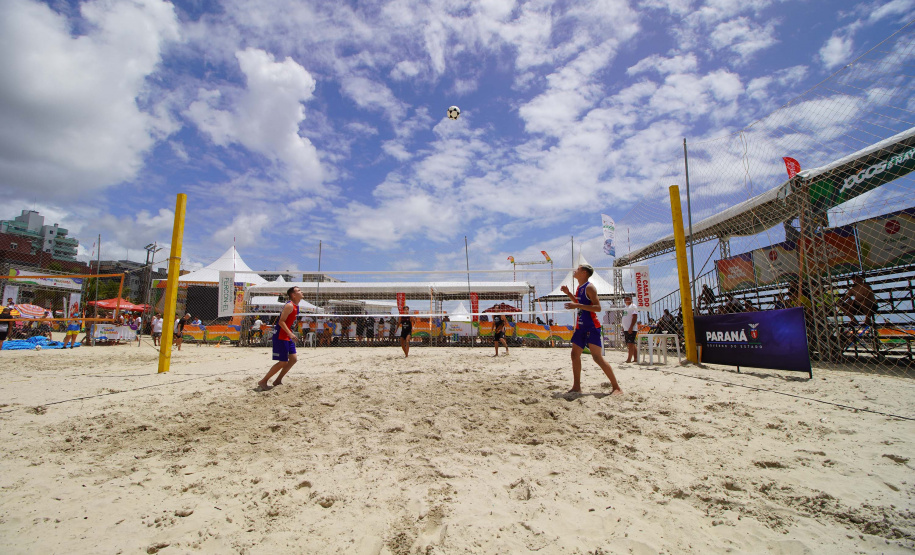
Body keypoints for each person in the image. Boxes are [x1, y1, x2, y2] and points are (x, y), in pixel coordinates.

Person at [561, 264, 622, 395]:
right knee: (574, 355)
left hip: (591, 326)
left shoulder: (590, 287)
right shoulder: (579, 287)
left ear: (583, 273)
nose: (575, 271)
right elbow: (580, 303)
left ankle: (616, 387)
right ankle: (576, 386)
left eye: (577, 269)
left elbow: (598, 308)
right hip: (580, 326)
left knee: (597, 357)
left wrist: (576, 304)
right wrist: (569, 294)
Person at [258, 287, 303, 390]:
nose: (302, 292)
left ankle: (278, 380)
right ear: (293, 295)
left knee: (293, 359)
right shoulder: (289, 305)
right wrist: (290, 334)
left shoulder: (296, 306)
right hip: (281, 335)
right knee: (283, 362)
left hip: (287, 335)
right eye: (299, 291)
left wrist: (290, 333)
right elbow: (281, 321)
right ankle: (263, 381)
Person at [621, 295, 639, 363]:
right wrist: (624, 327)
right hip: (626, 328)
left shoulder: (633, 306)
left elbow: (634, 317)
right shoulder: (626, 307)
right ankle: (636, 358)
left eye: (628, 299)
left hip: (631, 328)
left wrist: (631, 327)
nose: (626, 300)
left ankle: (629, 359)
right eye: (625, 299)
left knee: (630, 344)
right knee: (632, 344)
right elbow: (625, 317)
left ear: (631, 299)